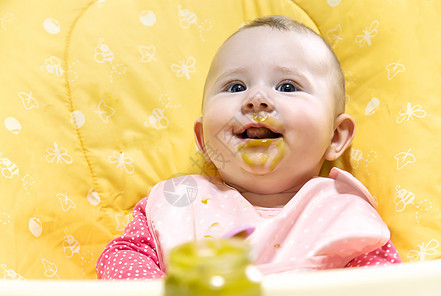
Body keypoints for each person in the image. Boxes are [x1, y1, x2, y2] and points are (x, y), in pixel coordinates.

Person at [96, 15, 401, 280]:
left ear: (335, 137)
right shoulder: (180, 200)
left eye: (287, 87)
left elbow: (387, 285)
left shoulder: (344, 212)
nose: (256, 98)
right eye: (236, 86)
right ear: (203, 140)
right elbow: (122, 256)